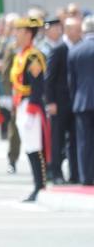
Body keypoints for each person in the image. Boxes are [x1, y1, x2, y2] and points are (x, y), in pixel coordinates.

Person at [9, 15, 49, 202]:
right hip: (21, 104)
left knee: (35, 148)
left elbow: (38, 85)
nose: (16, 34)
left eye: (19, 31)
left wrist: (32, 110)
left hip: (30, 105)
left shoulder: (33, 56)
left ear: (28, 33)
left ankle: (40, 185)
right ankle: (37, 185)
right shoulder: (21, 54)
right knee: (29, 147)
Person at [45, 16, 80, 184]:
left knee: (74, 139)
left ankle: (75, 173)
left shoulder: (78, 47)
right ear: (67, 31)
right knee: (57, 139)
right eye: (75, 30)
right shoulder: (59, 49)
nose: (79, 33)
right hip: (59, 103)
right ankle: (56, 173)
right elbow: (49, 78)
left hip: (75, 102)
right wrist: (50, 102)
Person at [71, 16, 94, 186]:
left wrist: (74, 99)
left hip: (81, 100)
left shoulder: (75, 50)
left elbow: (71, 81)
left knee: (84, 141)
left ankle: (85, 177)